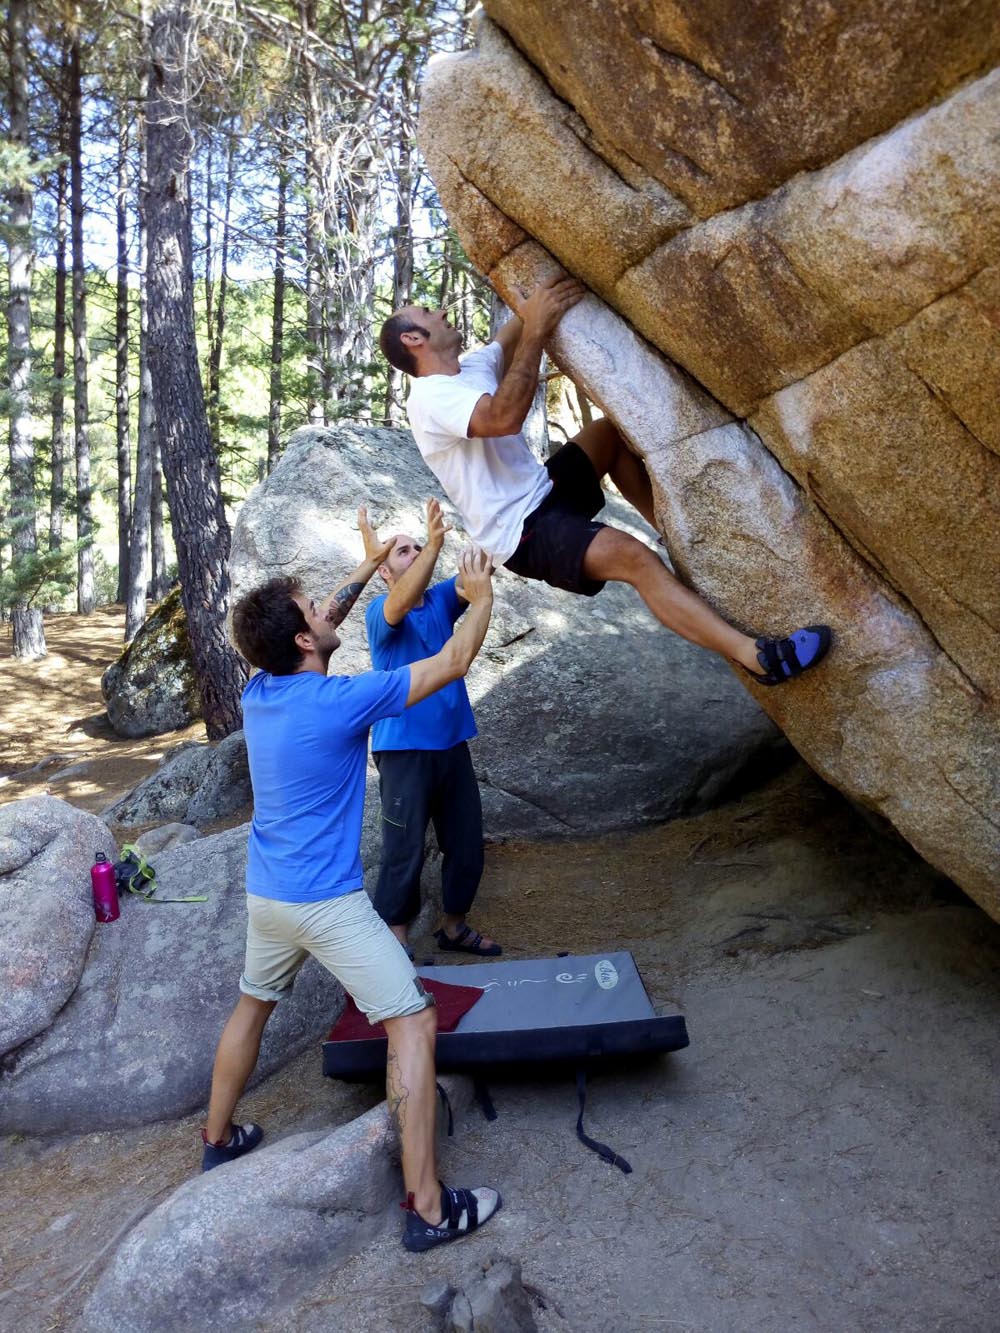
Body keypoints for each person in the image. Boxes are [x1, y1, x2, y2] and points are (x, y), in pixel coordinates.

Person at [200, 526, 502, 1254]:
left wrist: (367, 565)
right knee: (414, 1020)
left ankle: (217, 1138)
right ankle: (428, 1208)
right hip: (326, 904)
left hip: (269, 896)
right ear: (305, 642)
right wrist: (483, 594)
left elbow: (328, 614)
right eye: (314, 612)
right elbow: (454, 658)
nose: (327, 613)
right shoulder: (341, 701)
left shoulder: (260, 688)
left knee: (253, 1005)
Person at [378, 276, 831, 685]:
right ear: (414, 339)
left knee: (609, 436)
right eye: (426, 314)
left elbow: (525, 315)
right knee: (634, 559)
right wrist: (535, 329)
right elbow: (503, 417)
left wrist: (559, 278)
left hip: (544, 489)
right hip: (522, 532)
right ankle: (759, 659)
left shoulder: (471, 367)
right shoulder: (429, 400)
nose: (439, 312)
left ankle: (676, 536)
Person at [360, 496, 500, 960]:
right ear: (383, 570)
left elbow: (474, 579)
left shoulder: (439, 600)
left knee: (465, 843)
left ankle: (453, 927)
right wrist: (435, 546)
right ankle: (395, 942)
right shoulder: (381, 612)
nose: (417, 553)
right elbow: (400, 603)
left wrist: (491, 519)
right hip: (403, 749)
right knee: (404, 849)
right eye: (404, 551)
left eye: (419, 547)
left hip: (452, 744)